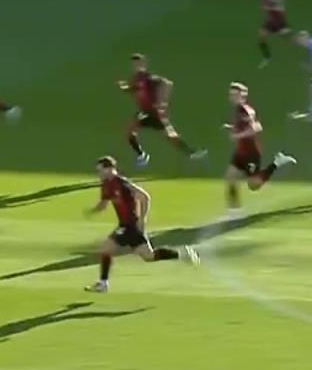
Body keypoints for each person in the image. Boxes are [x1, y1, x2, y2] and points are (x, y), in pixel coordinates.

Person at [85, 156, 198, 293]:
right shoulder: (106, 185)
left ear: (110, 169)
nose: (99, 174)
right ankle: (182, 254)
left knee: (105, 249)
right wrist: (92, 211)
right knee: (148, 256)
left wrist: (142, 219)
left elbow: (144, 197)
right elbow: (103, 204)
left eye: (100, 170)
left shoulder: (122, 183)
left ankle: (103, 284)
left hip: (130, 225)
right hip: (127, 226)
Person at [118, 53, 206, 168]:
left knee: (171, 136)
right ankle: (141, 155)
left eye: (138, 64)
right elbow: (134, 90)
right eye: (134, 64)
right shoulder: (136, 78)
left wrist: (163, 102)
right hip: (144, 112)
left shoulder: (149, 78)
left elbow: (167, 84)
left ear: (143, 64)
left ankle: (191, 152)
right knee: (130, 130)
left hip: (153, 112)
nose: (136, 66)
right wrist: (125, 88)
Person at [224, 82, 297, 218]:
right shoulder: (238, 110)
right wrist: (233, 128)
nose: (231, 97)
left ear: (242, 96)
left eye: (235, 94)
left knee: (254, 185)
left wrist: (237, 135)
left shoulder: (245, 110)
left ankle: (277, 163)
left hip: (251, 152)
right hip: (240, 151)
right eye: (231, 94)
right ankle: (234, 211)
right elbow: (245, 126)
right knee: (230, 177)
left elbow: (256, 128)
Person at [257, 0, 289, 67]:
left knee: (286, 37)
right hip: (271, 21)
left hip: (279, 21)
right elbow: (265, 8)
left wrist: (268, 6)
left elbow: (278, 10)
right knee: (261, 37)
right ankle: (267, 57)